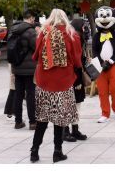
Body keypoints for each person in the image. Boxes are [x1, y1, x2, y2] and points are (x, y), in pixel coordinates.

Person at [29, 9, 83, 164]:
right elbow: (77, 60)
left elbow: (35, 56)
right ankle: (57, 152)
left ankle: (34, 151)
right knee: (60, 119)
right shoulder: (71, 35)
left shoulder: (43, 34)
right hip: (63, 82)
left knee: (42, 119)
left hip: (44, 82)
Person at [92, 7, 115, 123]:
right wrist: (101, 62)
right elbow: (94, 50)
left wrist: (111, 61)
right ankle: (105, 113)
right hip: (100, 66)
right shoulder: (96, 36)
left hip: (113, 65)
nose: (104, 18)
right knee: (102, 91)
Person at [9, 12, 38, 130]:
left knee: (18, 94)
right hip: (29, 69)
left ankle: (18, 121)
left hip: (16, 67)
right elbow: (37, 48)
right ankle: (32, 122)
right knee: (30, 95)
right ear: (30, 18)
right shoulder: (31, 32)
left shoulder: (13, 30)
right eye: (33, 19)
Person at [63, 16, 89, 143]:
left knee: (77, 103)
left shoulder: (79, 39)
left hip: (77, 73)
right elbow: (74, 60)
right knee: (69, 104)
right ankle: (65, 130)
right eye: (84, 27)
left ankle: (75, 129)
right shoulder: (72, 39)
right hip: (71, 75)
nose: (86, 30)